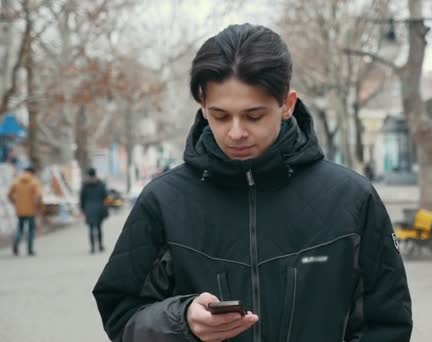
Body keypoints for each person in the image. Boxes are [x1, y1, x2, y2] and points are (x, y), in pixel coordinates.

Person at [93, 23, 412, 342]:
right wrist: (181, 321)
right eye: (219, 116)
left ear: (287, 104)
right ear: (203, 105)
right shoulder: (162, 201)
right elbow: (121, 315)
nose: (235, 132)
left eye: (254, 116)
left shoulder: (352, 198)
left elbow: (386, 323)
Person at [8, 166, 43, 256]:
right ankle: (30, 249)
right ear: (33, 173)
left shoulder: (16, 181)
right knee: (31, 230)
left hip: (20, 210)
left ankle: (16, 243)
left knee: (20, 228)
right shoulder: (34, 182)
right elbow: (39, 196)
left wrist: (14, 203)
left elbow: (9, 194)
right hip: (31, 210)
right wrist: (39, 208)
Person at [80, 167, 108, 253]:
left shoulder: (85, 185)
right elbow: (105, 195)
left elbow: (82, 198)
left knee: (91, 228)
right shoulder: (100, 184)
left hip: (89, 208)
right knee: (99, 227)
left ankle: (92, 248)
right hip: (99, 208)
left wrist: (83, 209)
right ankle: (100, 246)